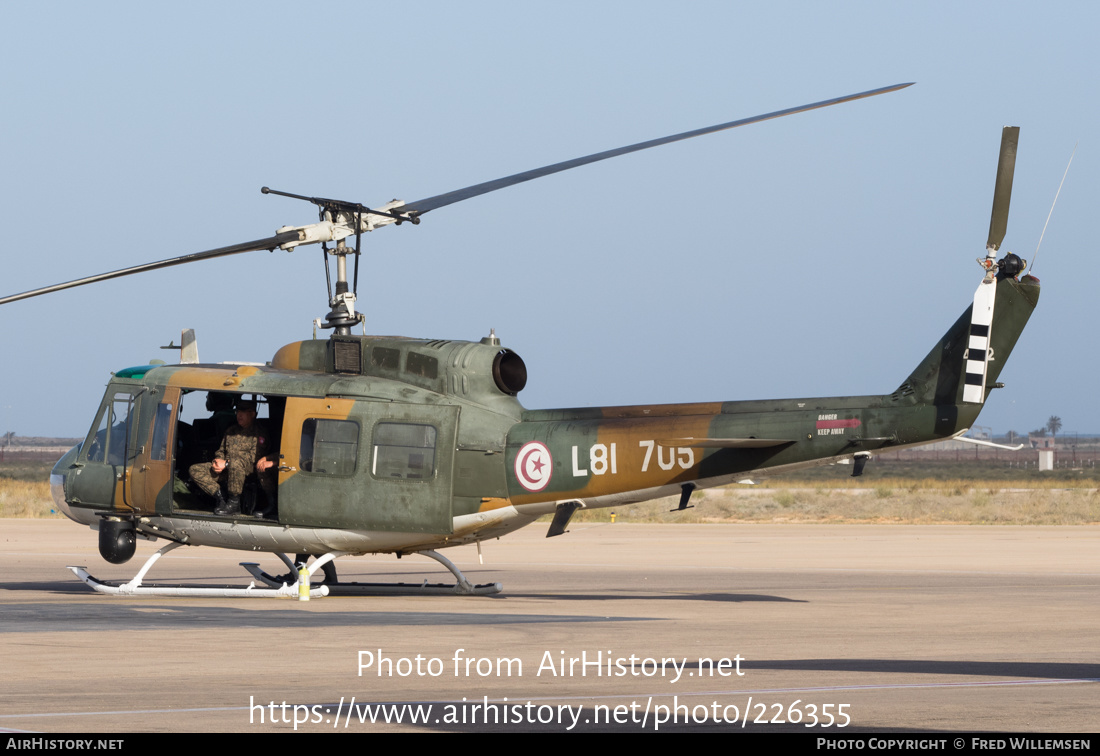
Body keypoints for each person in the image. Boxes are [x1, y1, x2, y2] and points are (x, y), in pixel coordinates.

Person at [188, 398, 277, 516]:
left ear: (252, 414)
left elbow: (253, 459)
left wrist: (226, 463)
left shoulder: (260, 433)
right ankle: (221, 497)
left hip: (248, 471)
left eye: (243, 412)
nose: (239, 415)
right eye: (237, 412)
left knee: (236, 464)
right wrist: (218, 461)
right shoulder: (231, 431)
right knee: (195, 469)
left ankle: (234, 504)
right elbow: (221, 450)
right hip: (228, 469)